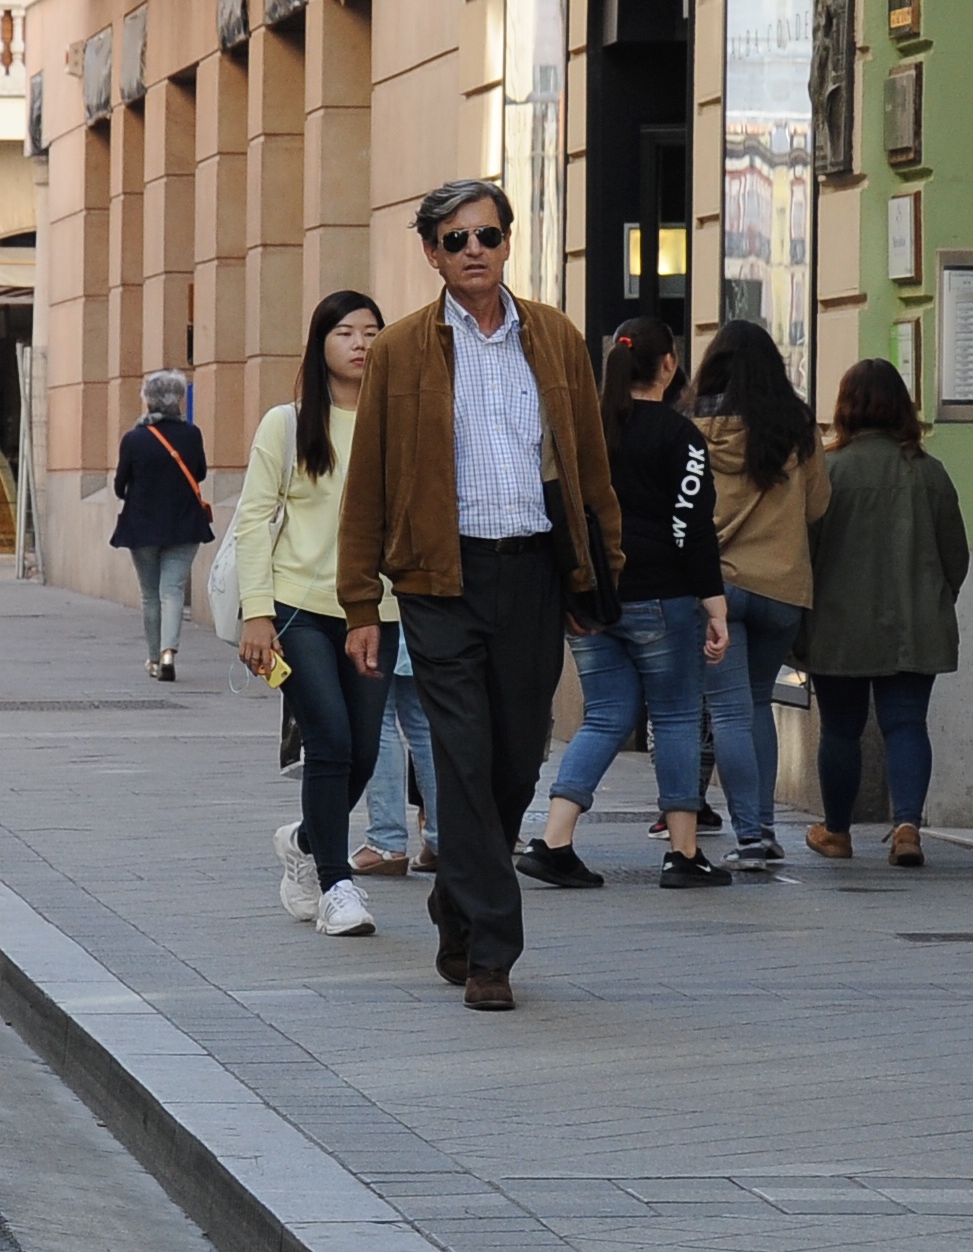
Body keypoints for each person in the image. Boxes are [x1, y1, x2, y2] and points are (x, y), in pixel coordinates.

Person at [339, 179, 619, 1014]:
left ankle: (455, 904)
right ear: (431, 253)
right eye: (455, 239)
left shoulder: (555, 338)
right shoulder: (400, 351)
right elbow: (366, 485)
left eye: (486, 236)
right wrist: (360, 605)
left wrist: (598, 569)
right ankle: (492, 953)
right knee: (460, 758)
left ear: (506, 244)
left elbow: (590, 467)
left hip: (532, 574)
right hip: (438, 579)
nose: (473, 251)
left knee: (513, 764)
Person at [519, 319, 730, 891]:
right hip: (663, 596)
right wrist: (714, 604)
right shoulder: (682, 437)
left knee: (605, 715)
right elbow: (691, 525)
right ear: (670, 365)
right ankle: (683, 853)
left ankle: (554, 840)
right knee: (677, 716)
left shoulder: (587, 432)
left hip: (593, 597)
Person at [231, 291, 388, 935]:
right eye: (345, 332)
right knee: (330, 739)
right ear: (321, 343)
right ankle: (336, 885)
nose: (360, 344)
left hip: (377, 610)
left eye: (371, 332)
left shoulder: (395, 423)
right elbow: (252, 520)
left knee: (366, 753)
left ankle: (303, 840)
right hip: (299, 609)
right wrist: (256, 613)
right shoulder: (288, 424)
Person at [802, 359, 969, 868]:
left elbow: (806, 553)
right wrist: (933, 598)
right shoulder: (930, 473)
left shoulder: (829, 472)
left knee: (840, 729)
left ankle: (836, 831)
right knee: (906, 724)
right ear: (902, 408)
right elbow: (955, 557)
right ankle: (907, 827)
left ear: (845, 407)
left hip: (838, 624)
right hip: (915, 622)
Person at [690, 320, 831, 872]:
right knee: (756, 704)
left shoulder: (693, 426)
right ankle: (764, 830)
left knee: (727, 711)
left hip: (717, 587)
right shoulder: (797, 426)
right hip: (781, 587)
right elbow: (818, 506)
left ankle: (749, 835)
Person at [110, 370, 212, 681]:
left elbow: (119, 486)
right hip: (185, 524)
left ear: (148, 400)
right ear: (178, 399)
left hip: (142, 528)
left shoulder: (134, 439)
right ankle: (169, 652)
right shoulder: (192, 435)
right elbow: (200, 473)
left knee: (150, 594)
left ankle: (154, 658)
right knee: (173, 589)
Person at [356, 646, 438, 877]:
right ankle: (443, 839)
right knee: (422, 725)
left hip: (380, 631)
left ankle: (386, 840)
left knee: (379, 719)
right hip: (422, 633)